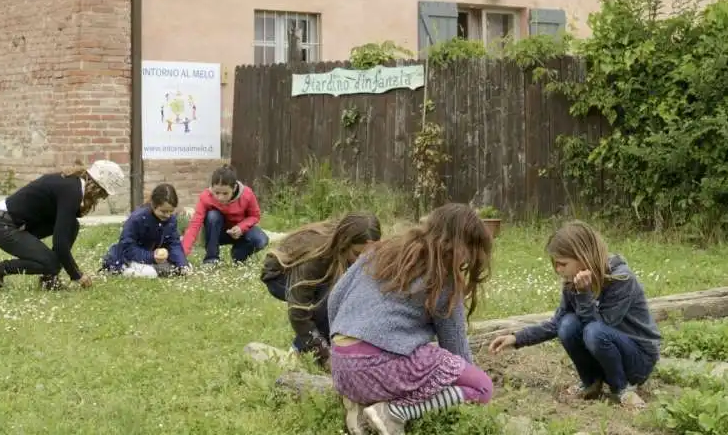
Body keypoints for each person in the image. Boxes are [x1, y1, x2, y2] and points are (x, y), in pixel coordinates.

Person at [328, 203, 494, 435]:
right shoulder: (443, 277)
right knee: (482, 386)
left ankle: (359, 404)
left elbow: (335, 298)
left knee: (415, 358)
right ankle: (394, 413)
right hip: (379, 367)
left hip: (342, 368)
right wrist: (467, 378)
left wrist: (339, 356)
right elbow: (456, 349)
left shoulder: (380, 250)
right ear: (462, 245)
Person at [488, 220, 661, 410]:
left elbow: (601, 327)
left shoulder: (621, 279)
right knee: (567, 324)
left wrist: (584, 294)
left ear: (583, 257)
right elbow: (556, 324)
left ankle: (622, 389)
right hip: (608, 352)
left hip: (638, 358)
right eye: (555, 263)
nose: (558, 269)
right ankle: (591, 383)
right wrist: (516, 338)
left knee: (594, 331)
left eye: (563, 263)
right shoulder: (572, 282)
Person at [260, 212, 382, 369]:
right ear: (344, 244)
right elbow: (298, 311)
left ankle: (322, 346)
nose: (362, 261)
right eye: (357, 254)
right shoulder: (316, 257)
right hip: (280, 275)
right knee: (327, 301)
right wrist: (324, 355)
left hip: (321, 267)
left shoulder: (354, 250)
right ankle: (297, 353)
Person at [0, 160, 125, 291]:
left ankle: (48, 279)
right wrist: (77, 275)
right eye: (102, 194)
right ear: (97, 188)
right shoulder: (71, 191)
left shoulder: (72, 184)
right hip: (3, 226)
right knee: (51, 263)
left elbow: (64, 224)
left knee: (72, 226)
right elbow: (60, 243)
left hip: (17, 224)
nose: (101, 198)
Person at [182, 165, 269, 265]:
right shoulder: (205, 197)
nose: (220, 198)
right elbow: (194, 224)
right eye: (217, 192)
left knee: (261, 240)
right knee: (213, 215)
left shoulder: (247, 194)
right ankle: (211, 258)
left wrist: (241, 227)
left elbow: (255, 216)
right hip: (217, 232)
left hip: (240, 232)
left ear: (234, 187)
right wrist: (182, 254)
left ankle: (238, 255)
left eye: (225, 193)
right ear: (211, 187)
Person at [101, 183, 189, 278]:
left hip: (153, 258)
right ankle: (122, 270)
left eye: (171, 212)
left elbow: (174, 243)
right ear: (153, 205)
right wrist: (152, 256)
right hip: (129, 258)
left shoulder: (171, 220)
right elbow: (127, 248)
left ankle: (155, 268)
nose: (167, 215)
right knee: (150, 273)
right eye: (163, 211)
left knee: (180, 268)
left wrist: (182, 264)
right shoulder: (138, 219)